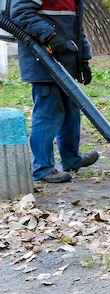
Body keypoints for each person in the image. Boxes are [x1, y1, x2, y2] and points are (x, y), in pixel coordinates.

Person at [10, 0, 99, 184]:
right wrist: (49, 36)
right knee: (48, 114)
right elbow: (20, 13)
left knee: (71, 112)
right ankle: (43, 168)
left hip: (66, 61)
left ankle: (72, 159)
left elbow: (76, 25)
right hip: (42, 61)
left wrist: (84, 58)